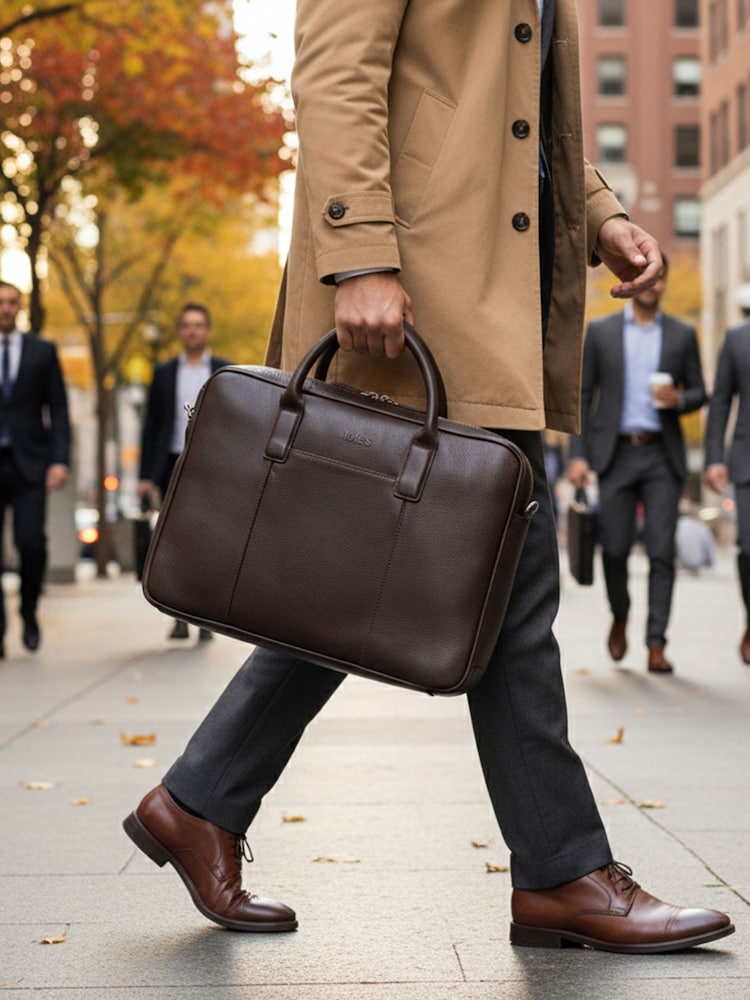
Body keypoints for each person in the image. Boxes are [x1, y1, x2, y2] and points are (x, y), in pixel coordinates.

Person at [123, 1, 733, 952]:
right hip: (417, 290)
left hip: (486, 291)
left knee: (387, 578)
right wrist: (358, 250)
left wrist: (600, 215)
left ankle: (202, 800)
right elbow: (335, 67)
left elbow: (514, 114)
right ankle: (561, 871)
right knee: (498, 583)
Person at [567, 258, 707, 674]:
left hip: (662, 455)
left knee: (662, 551)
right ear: (630, 279)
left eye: (660, 275)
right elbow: (582, 396)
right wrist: (577, 455)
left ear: (662, 282)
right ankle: (621, 614)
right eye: (646, 274)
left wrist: (679, 401)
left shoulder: (682, 334)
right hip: (616, 455)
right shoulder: (602, 332)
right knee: (614, 549)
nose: (653, 282)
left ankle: (656, 643)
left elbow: (700, 390)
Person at [137, 302, 231, 641]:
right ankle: (177, 615)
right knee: (173, 544)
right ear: (181, 331)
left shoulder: (225, 372)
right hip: (170, 465)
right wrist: (144, 477)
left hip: (211, 466)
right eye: (187, 325)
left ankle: (203, 616)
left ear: (207, 331)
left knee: (206, 542)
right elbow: (151, 427)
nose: (193, 331)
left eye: (198, 325)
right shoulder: (163, 374)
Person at [0, 280, 71, 658]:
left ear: (21, 306)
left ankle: (28, 612)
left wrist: (60, 459)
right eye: (0, 303)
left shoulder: (41, 352)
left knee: (30, 543)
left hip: (30, 463)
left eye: (12, 302)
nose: (6, 309)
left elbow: (58, 409)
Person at [704, 308, 750, 663]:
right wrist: (714, 458)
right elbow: (720, 401)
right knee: (748, 549)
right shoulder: (736, 339)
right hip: (746, 461)